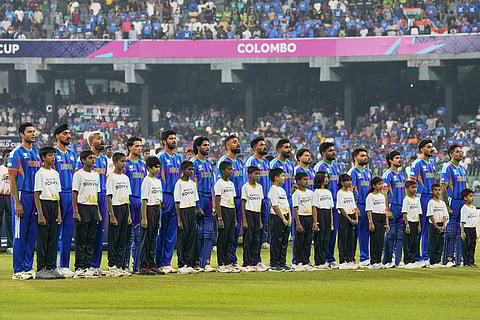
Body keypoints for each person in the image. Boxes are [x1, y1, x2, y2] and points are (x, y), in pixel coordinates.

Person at [9, 122, 41, 280]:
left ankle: (28, 268)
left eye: (34, 131)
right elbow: (12, 179)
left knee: (31, 235)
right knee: (19, 234)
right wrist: (17, 202)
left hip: (35, 196)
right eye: (29, 132)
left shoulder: (36, 153)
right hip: (22, 195)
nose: (33, 134)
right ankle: (18, 270)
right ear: (22, 134)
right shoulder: (16, 153)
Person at [76, 131, 108, 276]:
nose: (102, 141)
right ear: (91, 142)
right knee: (85, 235)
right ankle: (81, 265)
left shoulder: (105, 160)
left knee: (99, 232)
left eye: (102, 138)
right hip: (86, 199)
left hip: (100, 196)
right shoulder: (82, 160)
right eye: (98, 139)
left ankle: (94, 265)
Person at [34, 146, 64, 279]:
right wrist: (40, 212)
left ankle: (51, 267)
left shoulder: (56, 173)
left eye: (53, 155)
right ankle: (41, 269)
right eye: (50, 155)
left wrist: (58, 212)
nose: (53, 158)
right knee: (43, 239)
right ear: (43, 158)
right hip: (44, 204)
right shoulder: (40, 173)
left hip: (53, 204)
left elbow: (57, 194)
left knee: (53, 238)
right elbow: (36, 193)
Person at [156, 130, 182, 273]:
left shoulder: (178, 158)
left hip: (175, 196)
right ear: (164, 141)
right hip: (164, 196)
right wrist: (160, 197)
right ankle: (158, 262)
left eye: (174, 138)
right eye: (171, 138)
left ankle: (167, 262)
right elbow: (157, 178)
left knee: (171, 232)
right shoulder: (160, 157)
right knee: (161, 231)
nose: (174, 140)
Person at [72, 150, 102, 278]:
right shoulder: (78, 174)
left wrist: (98, 212)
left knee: (91, 239)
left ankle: (88, 266)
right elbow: (74, 193)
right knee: (81, 239)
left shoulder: (96, 175)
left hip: (93, 208)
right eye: (90, 158)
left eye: (93, 158)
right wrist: (75, 210)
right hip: (82, 207)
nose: (93, 160)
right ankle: (79, 267)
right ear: (83, 160)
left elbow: (96, 193)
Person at [216, 135, 244, 268]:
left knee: (234, 232)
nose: (238, 144)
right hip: (226, 202)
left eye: (238, 142)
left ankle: (231, 259)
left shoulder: (239, 162)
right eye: (234, 142)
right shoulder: (223, 161)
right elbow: (218, 184)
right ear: (228, 146)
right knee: (225, 233)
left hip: (238, 200)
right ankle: (224, 261)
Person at [54, 124, 77, 277]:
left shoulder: (73, 154)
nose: (68, 136)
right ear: (57, 136)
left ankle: (64, 266)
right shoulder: (52, 154)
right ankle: (51, 265)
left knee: (68, 233)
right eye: (64, 134)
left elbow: (75, 174)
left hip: (71, 194)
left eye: (69, 133)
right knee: (55, 232)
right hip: (57, 194)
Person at [314, 142, 342, 268]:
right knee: (322, 233)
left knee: (332, 232)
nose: (333, 152)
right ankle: (321, 258)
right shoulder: (319, 166)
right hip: (322, 203)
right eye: (330, 150)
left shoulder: (337, 167)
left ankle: (330, 257)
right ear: (323, 153)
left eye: (333, 150)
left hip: (334, 203)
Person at [243, 137, 270, 268]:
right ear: (255, 148)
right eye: (261, 145)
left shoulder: (266, 162)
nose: (264, 147)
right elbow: (246, 182)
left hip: (264, 200)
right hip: (252, 202)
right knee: (251, 234)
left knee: (260, 231)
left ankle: (257, 260)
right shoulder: (250, 161)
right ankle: (248, 260)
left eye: (264, 145)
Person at [409, 139, 436, 266]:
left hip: (431, 197)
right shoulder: (417, 163)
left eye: (431, 146)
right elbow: (412, 181)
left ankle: (425, 256)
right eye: (428, 147)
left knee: (427, 228)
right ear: (422, 149)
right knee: (418, 227)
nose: (431, 149)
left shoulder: (433, 163)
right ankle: (415, 256)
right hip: (420, 197)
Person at [106, 152, 133, 277]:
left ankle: (119, 264)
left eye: (125, 161)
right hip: (115, 208)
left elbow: (127, 197)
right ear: (115, 162)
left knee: (122, 238)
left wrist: (128, 215)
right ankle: (112, 265)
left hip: (124, 208)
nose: (124, 164)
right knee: (114, 238)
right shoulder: (111, 177)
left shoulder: (126, 178)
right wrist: (111, 214)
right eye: (122, 161)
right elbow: (109, 197)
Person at [191, 136, 215, 272]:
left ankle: (206, 261)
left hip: (208, 198)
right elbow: (192, 184)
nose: (207, 147)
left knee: (209, 232)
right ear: (198, 147)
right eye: (204, 145)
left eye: (208, 145)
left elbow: (212, 184)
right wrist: (195, 202)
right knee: (198, 231)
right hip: (199, 196)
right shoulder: (193, 162)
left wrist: (213, 202)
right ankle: (196, 261)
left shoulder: (210, 164)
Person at [441, 144, 467, 267]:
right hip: (453, 201)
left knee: (460, 231)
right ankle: (448, 258)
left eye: (461, 151)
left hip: (462, 202)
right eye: (457, 152)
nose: (460, 153)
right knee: (450, 231)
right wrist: (446, 205)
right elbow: (443, 188)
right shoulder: (447, 167)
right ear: (451, 154)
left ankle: (458, 258)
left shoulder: (463, 168)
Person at [175, 160, 202, 274]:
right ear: (183, 170)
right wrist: (179, 220)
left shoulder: (192, 184)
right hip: (183, 210)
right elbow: (177, 203)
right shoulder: (179, 184)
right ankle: (181, 264)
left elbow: (195, 200)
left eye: (192, 169)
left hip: (191, 211)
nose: (191, 171)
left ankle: (189, 263)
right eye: (189, 169)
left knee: (191, 238)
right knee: (183, 238)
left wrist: (198, 210)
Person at [123, 137, 146, 273]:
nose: (139, 148)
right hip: (129, 200)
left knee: (138, 235)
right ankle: (124, 264)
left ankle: (136, 265)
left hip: (141, 200)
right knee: (128, 235)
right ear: (129, 147)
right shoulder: (125, 163)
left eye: (140, 146)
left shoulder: (143, 164)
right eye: (136, 146)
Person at [139, 156, 164, 276]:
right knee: (146, 238)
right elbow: (144, 200)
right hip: (148, 209)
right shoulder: (146, 181)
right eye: (155, 167)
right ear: (149, 168)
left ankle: (151, 263)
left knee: (154, 238)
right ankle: (143, 265)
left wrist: (158, 219)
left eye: (159, 167)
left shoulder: (158, 181)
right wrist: (144, 217)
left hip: (156, 209)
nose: (157, 169)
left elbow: (159, 201)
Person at [347, 147, 372, 267]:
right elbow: (350, 190)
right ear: (355, 158)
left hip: (367, 205)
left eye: (365, 155)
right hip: (357, 205)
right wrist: (354, 206)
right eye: (362, 155)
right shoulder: (352, 172)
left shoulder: (369, 172)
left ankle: (364, 258)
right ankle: (350, 258)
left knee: (365, 232)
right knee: (354, 233)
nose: (365, 157)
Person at [382, 150, 406, 268]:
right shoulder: (387, 175)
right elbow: (384, 193)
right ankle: (387, 259)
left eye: (399, 157)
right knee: (390, 234)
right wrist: (386, 209)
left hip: (402, 207)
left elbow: (405, 192)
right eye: (396, 158)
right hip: (392, 206)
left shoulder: (402, 175)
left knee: (400, 234)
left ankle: (397, 259)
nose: (399, 159)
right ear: (390, 160)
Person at [215, 161, 239, 273]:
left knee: (230, 238)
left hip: (230, 210)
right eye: (229, 169)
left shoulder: (231, 184)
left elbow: (233, 201)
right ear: (223, 170)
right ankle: (221, 263)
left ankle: (228, 262)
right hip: (223, 210)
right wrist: (219, 218)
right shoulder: (219, 183)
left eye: (232, 169)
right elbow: (217, 201)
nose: (231, 171)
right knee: (223, 238)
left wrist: (234, 218)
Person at [268, 168, 292, 272]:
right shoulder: (273, 190)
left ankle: (282, 262)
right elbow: (275, 205)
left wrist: (289, 217)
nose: (284, 178)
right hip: (277, 217)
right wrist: (282, 218)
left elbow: (286, 204)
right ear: (276, 178)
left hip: (285, 217)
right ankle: (274, 263)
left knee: (284, 241)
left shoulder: (282, 190)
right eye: (282, 176)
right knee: (276, 241)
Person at [242, 166, 264, 272]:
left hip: (257, 213)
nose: (257, 176)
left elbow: (259, 203)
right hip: (249, 213)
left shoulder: (259, 187)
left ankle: (255, 262)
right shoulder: (245, 187)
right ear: (249, 174)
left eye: (258, 174)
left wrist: (259, 219)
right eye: (255, 173)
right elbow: (243, 203)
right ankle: (246, 262)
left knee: (256, 239)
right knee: (248, 239)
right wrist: (244, 220)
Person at [292, 171, 315, 272]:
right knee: (299, 241)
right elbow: (295, 208)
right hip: (300, 217)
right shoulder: (296, 194)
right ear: (298, 181)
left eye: (307, 179)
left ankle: (306, 261)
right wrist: (297, 222)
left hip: (309, 217)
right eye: (304, 180)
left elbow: (313, 207)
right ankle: (298, 262)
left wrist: (315, 222)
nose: (307, 181)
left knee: (308, 240)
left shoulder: (311, 193)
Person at [336, 174, 359, 270]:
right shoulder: (340, 193)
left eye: (350, 180)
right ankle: (342, 260)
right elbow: (340, 207)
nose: (349, 183)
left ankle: (350, 259)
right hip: (344, 217)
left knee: (352, 239)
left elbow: (354, 206)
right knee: (343, 239)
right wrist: (349, 219)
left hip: (352, 215)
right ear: (342, 182)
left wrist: (356, 218)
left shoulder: (350, 193)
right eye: (347, 181)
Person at [366, 176, 389, 269]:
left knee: (381, 240)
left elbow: (385, 209)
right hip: (375, 217)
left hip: (382, 217)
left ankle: (379, 261)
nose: (381, 186)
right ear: (374, 185)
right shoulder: (370, 196)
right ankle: (373, 261)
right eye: (379, 184)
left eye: (381, 184)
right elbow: (369, 210)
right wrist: (370, 222)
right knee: (374, 240)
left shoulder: (382, 196)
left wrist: (387, 222)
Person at [313, 171, 333, 270]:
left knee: (326, 238)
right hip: (320, 213)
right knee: (319, 239)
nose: (326, 179)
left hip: (327, 214)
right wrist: (315, 222)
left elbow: (330, 208)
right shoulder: (316, 192)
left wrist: (332, 223)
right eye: (324, 177)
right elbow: (315, 208)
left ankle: (323, 260)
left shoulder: (329, 192)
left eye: (327, 177)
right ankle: (318, 261)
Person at [426, 183, 448, 268]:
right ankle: (432, 261)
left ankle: (438, 260)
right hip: (433, 225)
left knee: (440, 243)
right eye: (435, 190)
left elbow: (444, 215)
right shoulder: (431, 203)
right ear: (432, 191)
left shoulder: (442, 203)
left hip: (441, 224)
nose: (438, 192)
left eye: (439, 190)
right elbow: (431, 215)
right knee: (433, 243)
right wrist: (435, 225)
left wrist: (443, 225)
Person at [402, 181, 422, 269]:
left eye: (415, 187)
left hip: (415, 222)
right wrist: (407, 225)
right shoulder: (406, 200)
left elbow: (418, 213)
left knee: (415, 241)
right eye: (412, 187)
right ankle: (407, 260)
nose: (414, 189)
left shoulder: (417, 200)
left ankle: (413, 260)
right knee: (408, 242)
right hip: (409, 222)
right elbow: (404, 213)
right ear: (407, 189)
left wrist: (419, 225)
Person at [460, 188, 478, 267]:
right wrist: (462, 231)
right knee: (466, 246)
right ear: (465, 198)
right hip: (467, 229)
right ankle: (466, 262)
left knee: (472, 245)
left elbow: (475, 220)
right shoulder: (464, 208)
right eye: (470, 196)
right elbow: (462, 221)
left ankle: (471, 261)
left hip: (473, 229)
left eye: (472, 196)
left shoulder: (474, 208)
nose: (472, 198)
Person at [0, 149, 12, 255]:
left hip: (10, 197)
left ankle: (11, 246)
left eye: (10, 156)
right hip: (0, 196)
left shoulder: (15, 170)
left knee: (10, 223)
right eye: (7, 156)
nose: (8, 158)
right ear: (3, 157)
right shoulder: (0, 169)